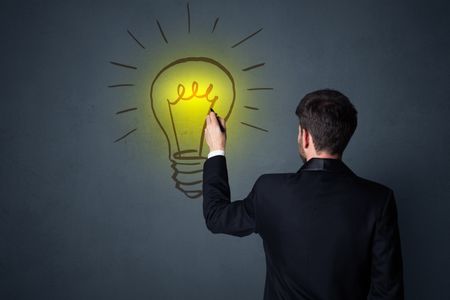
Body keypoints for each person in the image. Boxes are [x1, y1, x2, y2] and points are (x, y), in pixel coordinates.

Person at [202, 89, 404, 300]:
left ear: (305, 136)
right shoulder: (379, 199)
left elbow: (216, 217)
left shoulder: (270, 190)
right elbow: (388, 293)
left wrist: (216, 148)